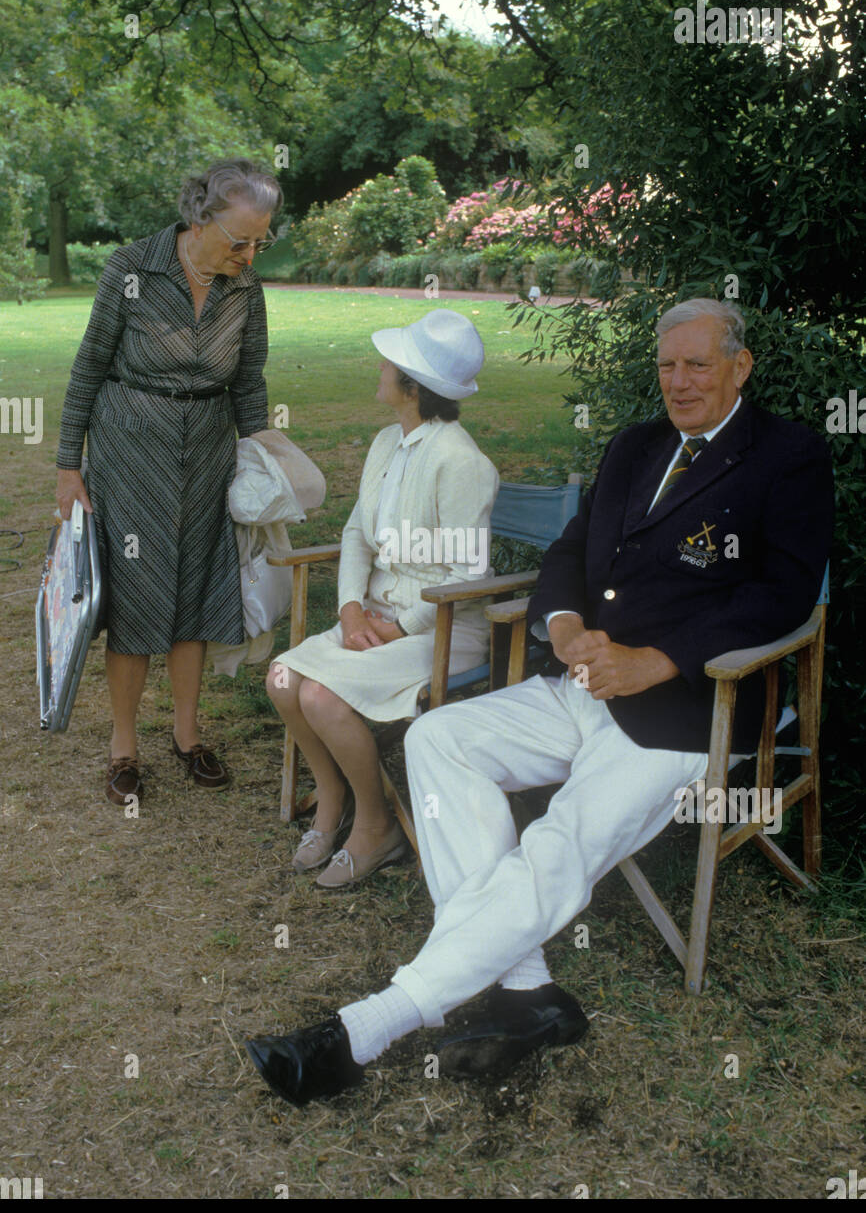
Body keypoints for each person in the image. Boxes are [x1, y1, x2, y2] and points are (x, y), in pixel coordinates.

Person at [245, 298, 834, 1104]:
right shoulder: (635, 447)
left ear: (741, 365)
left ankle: (367, 1026)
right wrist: (562, 624)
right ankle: (529, 993)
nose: (680, 382)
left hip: (689, 710)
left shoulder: (787, 456)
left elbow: (785, 594)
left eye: (699, 364)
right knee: (437, 741)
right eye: (668, 365)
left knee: (559, 843)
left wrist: (657, 662)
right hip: (578, 684)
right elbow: (568, 553)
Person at [55, 158, 283, 804]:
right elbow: (89, 367)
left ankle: (187, 734)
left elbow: (249, 380)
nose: (249, 253)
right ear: (198, 218)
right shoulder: (132, 268)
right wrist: (68, 467)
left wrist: (261, 459)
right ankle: (123, 745)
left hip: (209, 453)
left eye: (260, 241)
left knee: (195, 594)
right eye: (238, 240)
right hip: (130, 454)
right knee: (133, 597)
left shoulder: (246, 288)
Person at [266, 308, 499, 888]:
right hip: (373, 616)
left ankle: (377, 826)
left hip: (444, 630)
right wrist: (348, 608)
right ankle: (332, 795)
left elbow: (468, 572)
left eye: (390, 363)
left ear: (412, 385)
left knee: (320, 697)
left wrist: (400, 626)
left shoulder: (462, 461)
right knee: (280, 680)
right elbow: (355, 533)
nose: (380, 367)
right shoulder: (385, 444)